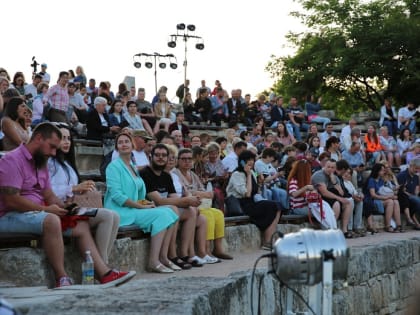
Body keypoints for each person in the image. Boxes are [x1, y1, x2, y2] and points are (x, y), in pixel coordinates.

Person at [0, 123, 135, 287]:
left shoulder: (40, 162)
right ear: (38, 138)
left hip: (35, 212)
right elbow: (11, 200)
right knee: (51, 220)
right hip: (9, 215)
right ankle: (61, 277)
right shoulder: (11, 160)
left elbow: (49, 195)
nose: (53, 153)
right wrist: (46, 209)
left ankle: (103, 273)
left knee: (81, 223)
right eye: (51, 147)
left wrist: (67, 208)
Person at [105, 133, 179, 273]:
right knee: (163, 215)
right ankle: (153, 261)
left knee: (170, 211)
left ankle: (163, 257)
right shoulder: (113, 167)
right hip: (120, 211)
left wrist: (145, 203)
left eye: (127, 141)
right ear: (117, 147)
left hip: (134, 208)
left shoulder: (132, 166)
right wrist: (140, 206)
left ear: (133, 145)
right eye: (120, 142)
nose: (123, 144)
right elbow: (117, 196)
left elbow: (139, 193)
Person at [48, 124, 120, 263]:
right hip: (58, 210)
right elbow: (48, 190)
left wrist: (83, 188)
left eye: (69, 138)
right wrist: (74, 188)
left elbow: (70, 189)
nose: (67, 141)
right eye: (63, 138)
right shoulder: (50, 163)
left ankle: (102, 262)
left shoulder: (68, 164)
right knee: (106, 215)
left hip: (71, 207)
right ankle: (102, 265)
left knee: (115, 216)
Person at [140, 144, 202, 269]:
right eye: (157, 155)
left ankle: (184, 254)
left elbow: (174, 197)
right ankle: (170, 256)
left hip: (165, 209)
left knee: (191, 211)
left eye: (164, 155)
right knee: (173, 209)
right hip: (151, 209)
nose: (161, 158)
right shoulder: (145, 173)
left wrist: (190, 202)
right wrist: (186, 200)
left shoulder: (166, 176)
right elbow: (158, 201)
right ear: (150, 157)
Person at [172, 148, 232, 260]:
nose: (187, 161)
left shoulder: (193, 174)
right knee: (207, 215)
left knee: (218, 213)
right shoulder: (176, 174)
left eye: (189, 159)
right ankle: (205, 250)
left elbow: (203, 189)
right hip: (188, 204)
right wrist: (201, 194)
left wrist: (203, 193)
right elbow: (184, 192)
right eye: (184, 159)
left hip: (199, 203)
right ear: (178, 160)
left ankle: (218, 248)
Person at [226, 150, 282, 250]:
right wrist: (247, 175)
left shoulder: (252, 172)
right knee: (272, 206)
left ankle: (268, 240)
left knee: (277, 206)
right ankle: (267, 241)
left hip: (252, 202)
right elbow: (247, 193)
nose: (251, 162)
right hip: (242, 204)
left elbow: (256, 192)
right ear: (242, 161)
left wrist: (260, 182)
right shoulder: (237, 174)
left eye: (252, 159)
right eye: (248, 160)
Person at [311, 159, 353, 237]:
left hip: (332, 197)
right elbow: (324, 192)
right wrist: (339, 199)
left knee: (348, 203)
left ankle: (344, 230)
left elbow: (341, 193)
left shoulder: (335, 177)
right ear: (324, 166)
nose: (330, 169)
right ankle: (331, 230)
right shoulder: (318, 175)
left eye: (332, 167)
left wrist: (333, 181)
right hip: (320, 198)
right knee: (336, 204)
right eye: (328, 167)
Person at [364, 163, 402, 233]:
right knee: (390, 202)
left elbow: (384, 191)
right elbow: (373, 195)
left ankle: (398, 225)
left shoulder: (381, 180)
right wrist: (387, 197)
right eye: (382, 170)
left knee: (395, 202)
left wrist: (392, 194)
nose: (384, 172)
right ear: (377, 171)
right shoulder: (371, 180)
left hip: (380, 199)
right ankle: (388, 226)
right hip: (372, 200)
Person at [397, 158, 420, 228]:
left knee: (417, 200)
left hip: (412, 196)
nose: (417, 170)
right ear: (410, 166)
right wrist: (414, 196)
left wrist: (416, 194)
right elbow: (402, 191)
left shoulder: (416, 176)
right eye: (416, 168)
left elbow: (417, 189)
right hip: (404, 197)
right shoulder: (402, 175)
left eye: (419, 169)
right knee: (417, 201)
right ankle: (415, 222)